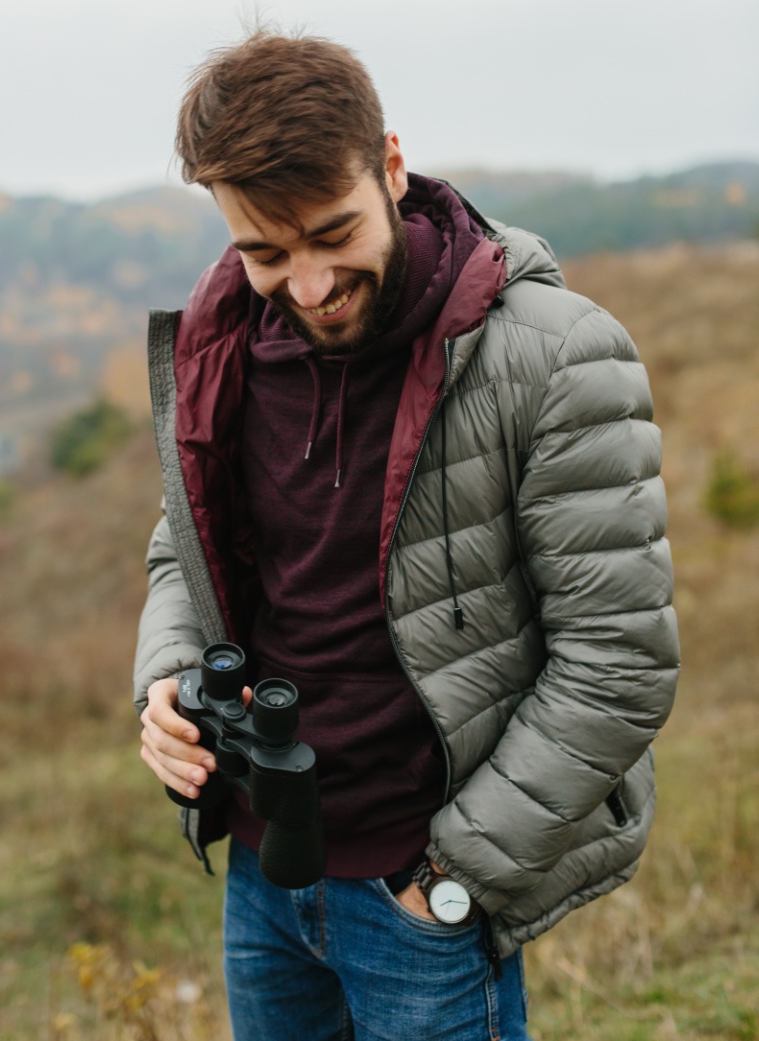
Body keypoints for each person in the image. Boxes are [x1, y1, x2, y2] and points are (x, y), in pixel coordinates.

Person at [134, 29, 680, 1041]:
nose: (304, 286)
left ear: (390, 164)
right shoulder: (225, 350)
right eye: (264, 251)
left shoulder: (554, 358)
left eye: (332, 234)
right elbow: (182, 550)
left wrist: (452, 880)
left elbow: (618, 663)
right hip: (263, 873)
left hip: (418, 891)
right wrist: (167, 678)